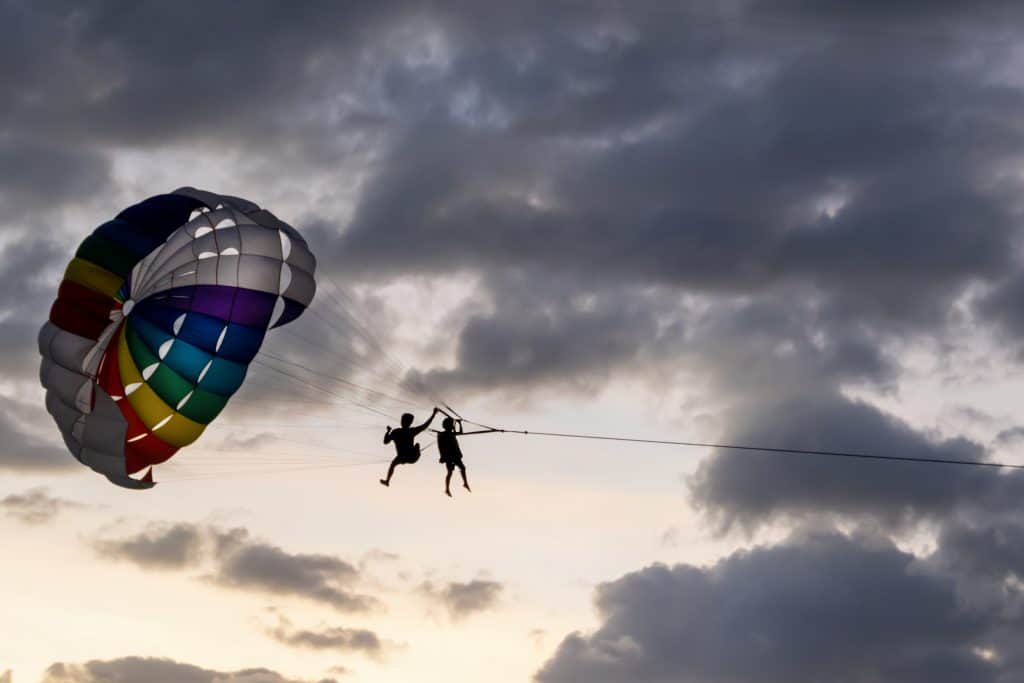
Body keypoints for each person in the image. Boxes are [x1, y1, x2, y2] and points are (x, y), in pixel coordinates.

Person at [380, 408, 439, 487]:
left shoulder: (396, 432)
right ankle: (387, 481)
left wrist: (388, 432)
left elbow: (385, 442)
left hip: (403, 456)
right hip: (411, 457)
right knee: (417, 445)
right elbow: (425, 425)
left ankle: (387, 481)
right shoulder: (410, 431)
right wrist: (433, 415)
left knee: (393, 464)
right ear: (410, 423)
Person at [437, 416, 471, 497]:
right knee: (450, 472)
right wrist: (442, 456)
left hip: (455, 455)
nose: (452, 427)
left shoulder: (451, 433)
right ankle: (447, 489)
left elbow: (460, 432)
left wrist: (459, 423)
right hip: (449, 456)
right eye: (451, 425)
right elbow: (440, 446)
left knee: (462, 468)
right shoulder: (442, 434)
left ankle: (465, 483)